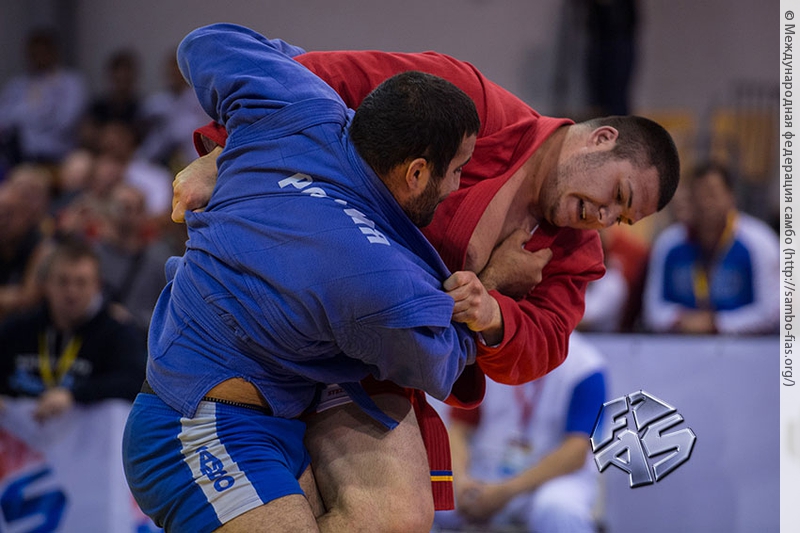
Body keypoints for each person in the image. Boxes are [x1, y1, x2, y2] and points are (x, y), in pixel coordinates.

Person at [174, 35, 680, 531]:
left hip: (375, 356)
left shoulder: (574, 252)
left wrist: (495, 313)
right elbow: (319, 75)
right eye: (617, 194)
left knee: (399, 519)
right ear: (601, 139)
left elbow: (547, 342)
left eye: (621, 218)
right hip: (290, 299)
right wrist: (226, 152)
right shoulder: (470, 103)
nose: (604, 217)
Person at [122, 23, 507, 533]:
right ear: (416, 173)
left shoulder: (302, 105)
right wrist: (492, 282)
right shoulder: (378, 276)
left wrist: (225, 150)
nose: (459, 186)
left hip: (263, 414)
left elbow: (204, 42)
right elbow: (444, 363)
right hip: (195, 427)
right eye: (457, 170)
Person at [434, 332, 606, 533]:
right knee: (428, 498)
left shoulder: (585, 365)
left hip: (549, 479)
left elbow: (576, 452)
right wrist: (461, 480)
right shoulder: (483, 353)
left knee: (557, 510)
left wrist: (505, 491)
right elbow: (457, 430)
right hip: (485, 473)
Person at [0, 237, 146, 422]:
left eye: (81, 282)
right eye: (63, 281)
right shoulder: (18, 329)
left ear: (97, 286)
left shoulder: (116, 333)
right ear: (46, 284)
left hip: (85, 435)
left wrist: (75, 395)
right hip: (23, 432)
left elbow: (133, 380)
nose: (71, 292)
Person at [642, 162, 780, 334]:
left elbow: (772, 311)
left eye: (712, 194)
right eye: (697, 195)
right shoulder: (668, 243)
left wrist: (718, 323)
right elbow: (652, 310)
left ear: (731, 197)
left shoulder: (760, 243)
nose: (705, 203)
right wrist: (678, 319)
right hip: (681, 342)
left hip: (745, 345)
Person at [0, 28, 87, 166]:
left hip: (59, 157)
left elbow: (65, 123)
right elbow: (4, 122)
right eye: (33, 54)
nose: (38, 58)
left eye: (43, 52)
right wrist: (32, 112)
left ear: (54, 53)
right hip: (21, 157)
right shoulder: (17, 85)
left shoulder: (71, 82)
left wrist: (34, 112)